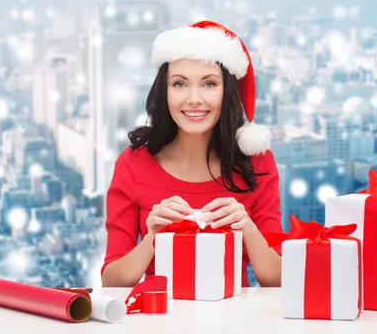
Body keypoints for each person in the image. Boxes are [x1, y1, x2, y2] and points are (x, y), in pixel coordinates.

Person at [101, 20, 282, 288]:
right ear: (164, 92)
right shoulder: (133, 164)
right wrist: (154, 238)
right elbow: (111, 281)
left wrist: (248, 228)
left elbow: (277, 280)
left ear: (227, 92)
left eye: (209, 84)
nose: (194, 98)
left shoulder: (257, 161)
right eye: (179, 84)